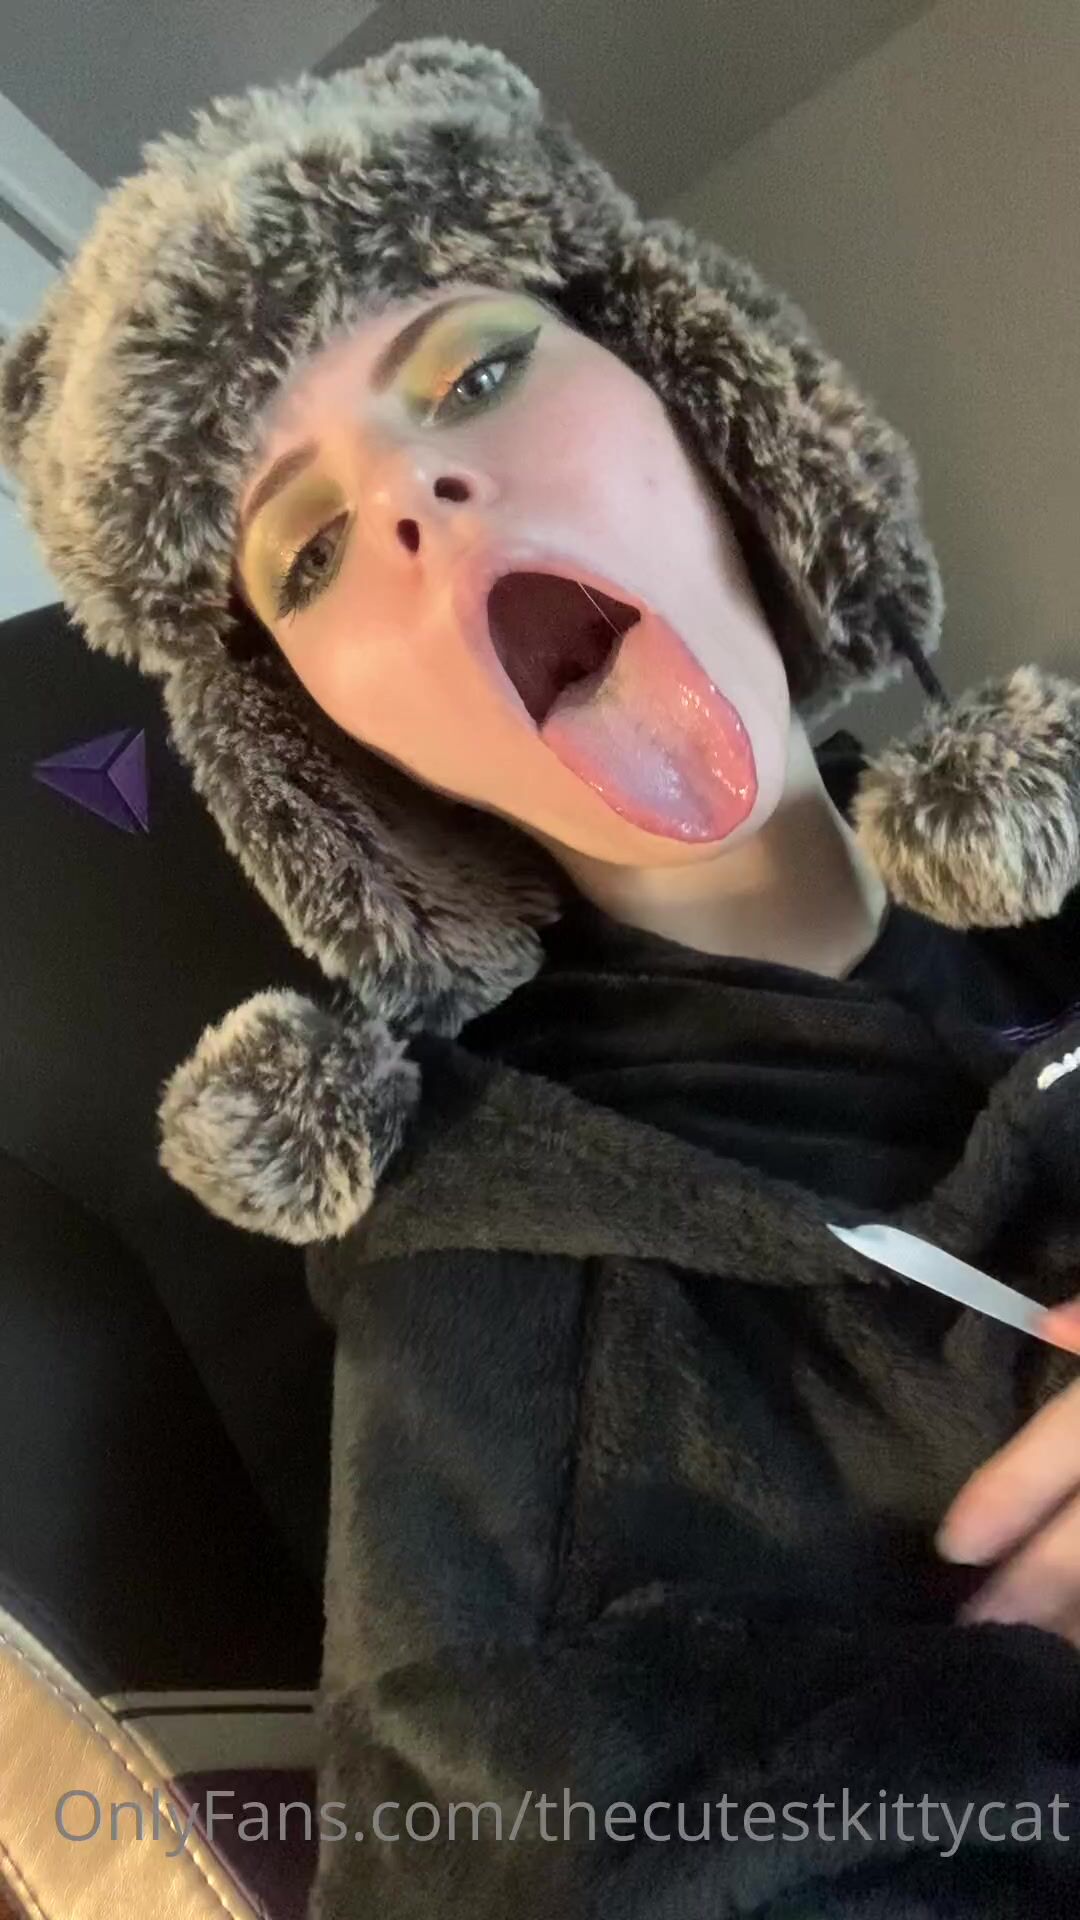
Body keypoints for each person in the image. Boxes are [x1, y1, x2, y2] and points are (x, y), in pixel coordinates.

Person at [3, 37, 1080, 1917]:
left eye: (478, 373)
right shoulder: (496, 1279)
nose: (419, 497)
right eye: (311, 550)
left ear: (702, 399)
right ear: (327, 745)